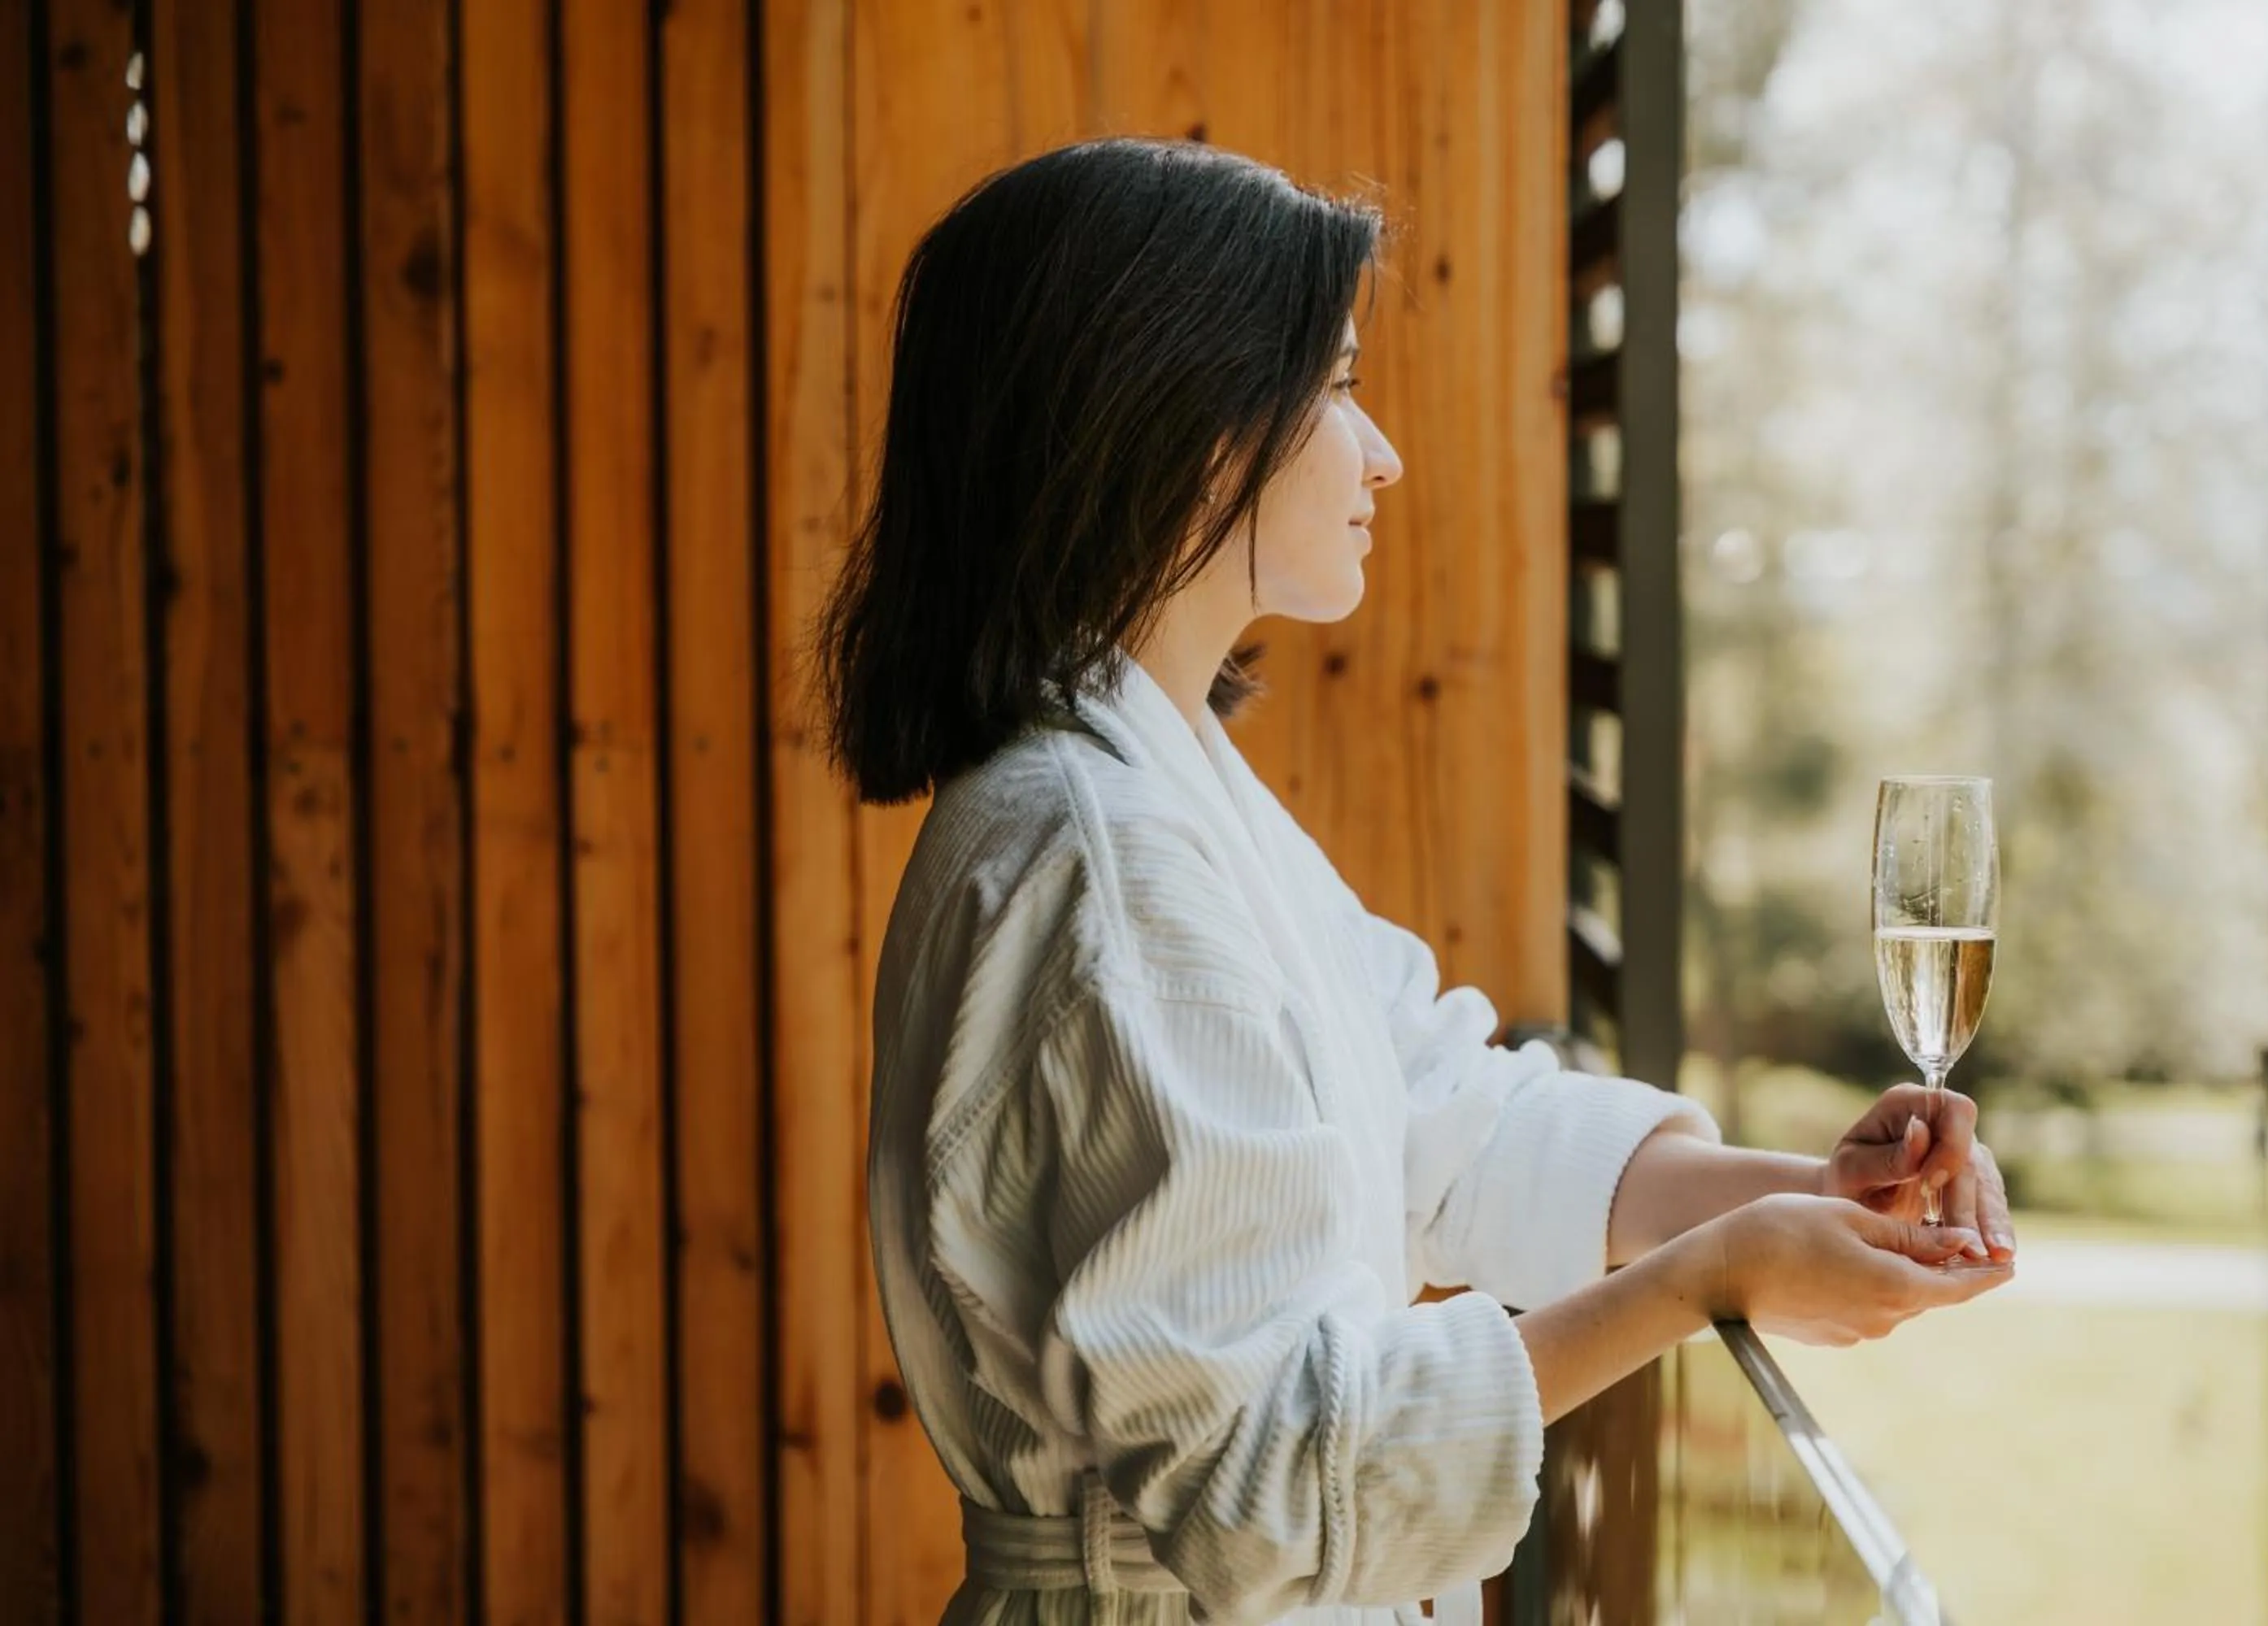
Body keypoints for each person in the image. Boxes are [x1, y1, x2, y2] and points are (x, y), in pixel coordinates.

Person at [816, 137, 2013, 1626]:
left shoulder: (1162, 790)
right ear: (1180, 417)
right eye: (1335, 388)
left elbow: (1445, 1122)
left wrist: (1810, 1194)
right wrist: (1702, 1281)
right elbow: (1266, 1487)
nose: (1378, 451)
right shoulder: (1108, 864)